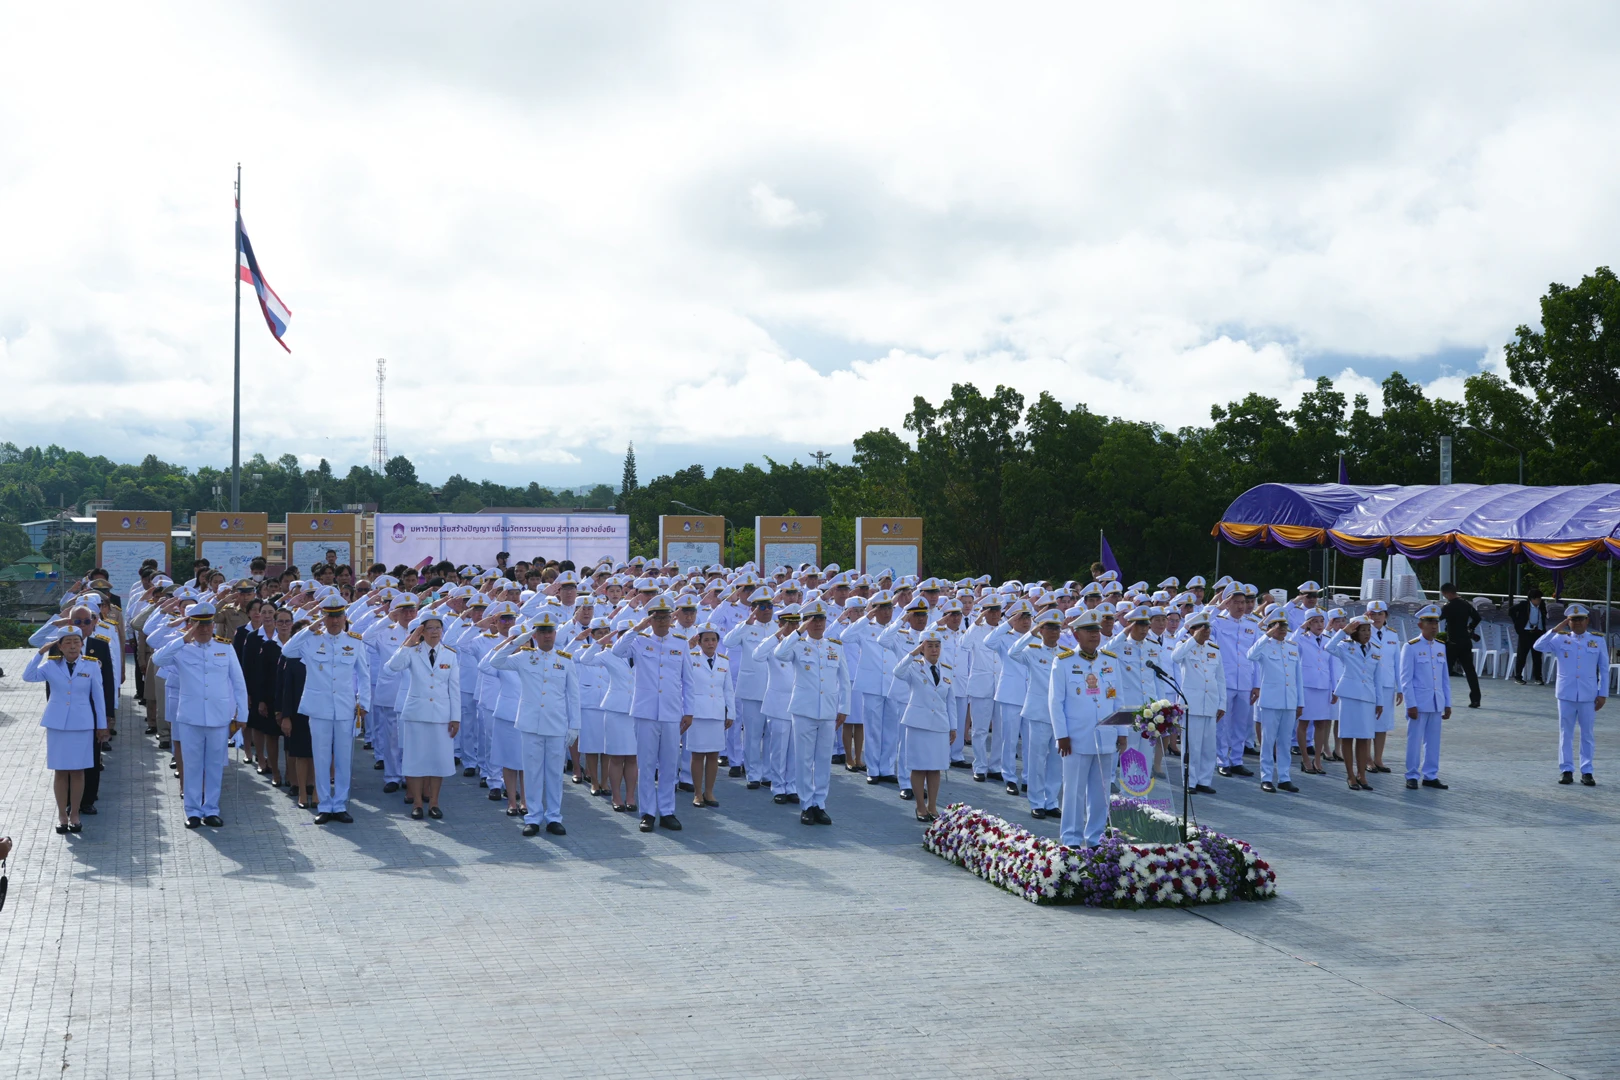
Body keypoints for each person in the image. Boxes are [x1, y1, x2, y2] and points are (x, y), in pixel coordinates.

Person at [151, 600, 250, 828]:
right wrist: (183, 639)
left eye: (207, 624)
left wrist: (242, 714)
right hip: (190, 717)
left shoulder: (224, 648)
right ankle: (193, 810)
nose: (204, 629)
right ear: (191, 625)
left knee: (214, 765)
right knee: (192, 764)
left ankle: (211, 808)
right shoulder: (182, 648)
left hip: (218, 716)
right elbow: (157, 660)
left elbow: (238, 682)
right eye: (199, 625)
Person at [279, 595, 372, 824]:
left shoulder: (355, 641)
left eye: (338, 615)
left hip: (344, 706)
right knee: (320, 757)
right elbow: (287, 651)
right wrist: (310, 627)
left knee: (342, 758)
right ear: (324, 618)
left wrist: (364, 703)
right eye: (329, 616)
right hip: (318, 707)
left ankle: (339, 804)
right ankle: (324, 804)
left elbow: (364, 675)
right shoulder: (311, 640)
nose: (334, 621)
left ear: (344, 617)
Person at [613, 595, 693, 832]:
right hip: (646, 711)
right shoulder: (638, 641)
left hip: (671, 712)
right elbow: (618, 651)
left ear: (672, 618)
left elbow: (688, 681)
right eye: (656, 618)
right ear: (650, 619)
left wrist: (688, 711)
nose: (661, 622)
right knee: (646, 764)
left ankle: (667, 811)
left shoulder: (680, 643)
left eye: (665, 617)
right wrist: (638, 627)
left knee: (669, 764)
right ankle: (647, 812)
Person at [1049, 608, 1127, 847]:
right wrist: (1061, 735)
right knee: (1073, 792)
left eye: (1096, 630)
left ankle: (1095, 837)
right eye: (1088, 630)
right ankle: (1071, 838)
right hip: (1076, 738)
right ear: (1075, 634)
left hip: (1106, 737)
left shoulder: (1110, 660)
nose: (1095, 634)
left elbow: (1118, 700)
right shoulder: (1063, 662)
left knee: (1101, 793)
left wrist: (1122, 733)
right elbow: (1055, 702)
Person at [23, 626, 107, 835]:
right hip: (57, 724)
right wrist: (40, 653)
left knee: (78, 771)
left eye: (76, 642)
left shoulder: (92, 665)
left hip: (82, 724)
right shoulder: (51, 666)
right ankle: (62, 814)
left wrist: (102, 725)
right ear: (59, 646)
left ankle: (75, 814)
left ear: (81, 645)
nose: (72, 646)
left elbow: (98, 698)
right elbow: (28, 676)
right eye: (67, 642)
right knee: (60, 771)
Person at [773, 600, 848, 825]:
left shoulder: (835, 646)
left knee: (823, 760)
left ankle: (820, 804)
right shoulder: (796, 644)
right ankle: (806, 804)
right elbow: (779, 653)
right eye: (813, 620)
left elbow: (844, 681)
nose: (818, 624)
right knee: (804, 760)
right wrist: (799, 630)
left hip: (827, 710)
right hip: (804, 710)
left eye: (821, 619)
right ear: (806, 621)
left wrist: (844, 708)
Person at [386, 611, 463, 821]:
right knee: (414, 760)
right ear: (421, 630)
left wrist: (456, 718)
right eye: (429, 628)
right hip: (416, 714)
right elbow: (392, 667)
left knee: (438, 760)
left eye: (438, 628)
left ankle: (434, 803)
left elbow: (454, 688)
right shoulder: (412, 651)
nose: (435, 632)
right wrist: (410, 641)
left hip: (441, 715)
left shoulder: (450, 654)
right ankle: (418, 804)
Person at [1533, 604, 1607, 785]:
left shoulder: (1597, 641)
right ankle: (1566, 769)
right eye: (1573, 620)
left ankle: (1587, 771)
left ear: (1587, 620)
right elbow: (1538, 646)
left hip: (1588, 694)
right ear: (1568, 622)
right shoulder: (1560, 639)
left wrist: (1603, 693)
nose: (1577, 623)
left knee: (1587, 734)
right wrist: (1555, 629)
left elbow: (1604, 669)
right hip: (1566, 693)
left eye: (1580, 619)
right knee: (1565, 733)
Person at [891, 629, 955, 822]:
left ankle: (932, 806)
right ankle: (920, 806)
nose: (934, 650)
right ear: (922, 647)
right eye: (929, 646)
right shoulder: (913, 667)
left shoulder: (947, 669)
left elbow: (950, 701)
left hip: (939, 724)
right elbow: (897, 671)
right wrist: (913, 654)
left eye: (937, 646)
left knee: (935, 767)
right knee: (918, 767)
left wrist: (954, 726)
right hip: (918, 723)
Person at [1325, 616, 1384, 790]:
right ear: (1355, 632)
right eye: (1363, 630)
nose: (1367, 634)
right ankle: (1350, 775)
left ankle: (1362, 774)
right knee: (1348, 735)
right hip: (1349, 695)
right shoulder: (1345, 646)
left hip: (1367, 697)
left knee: (1364, 737)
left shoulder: (1376, 650)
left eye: (1369, 630)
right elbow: (1329, 647)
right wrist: (1344, 631)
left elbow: (1377, 678)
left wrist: (1379, 701)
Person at [1246, 611, 1303, 794]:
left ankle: (1285, 777)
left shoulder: (1292, 647)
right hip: (1271, 701)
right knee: (1268, 741)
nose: (1282, 631)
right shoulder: (1264, 645)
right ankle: (1266, 777)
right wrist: (1267, 635)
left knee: (1285, 741)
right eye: (1278, 627)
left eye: (1284, 627)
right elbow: (1250, 655)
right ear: (1270, 628)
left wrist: (1300, 702)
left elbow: (1298, 677)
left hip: (1289, 700)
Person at [1170, 610, 1225, 794]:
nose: (1206, 630)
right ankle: (1190, 781)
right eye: (1201, 627)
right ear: (1192, 629)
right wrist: (1193, 639)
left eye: (1207, 627)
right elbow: (1175, 657)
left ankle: (1204, 780)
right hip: (1191, 704)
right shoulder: (1184, 645)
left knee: (1209, 747)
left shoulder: (1214, 649)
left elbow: (1220, 678)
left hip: (1210, 702)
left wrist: (1222, 703)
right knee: (1191, 746)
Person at [1400, 603, 1453, 790]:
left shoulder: (1440, 646)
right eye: (1429, 622)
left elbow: (1444, 677)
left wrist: (1447, 703)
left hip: (1436, 701)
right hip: (1419, 703)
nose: (1433, 626)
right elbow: (1405, 679)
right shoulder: (1411, 647)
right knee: (1414, 741)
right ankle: (1412, 775)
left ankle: (1430, 775)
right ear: (1420, 625)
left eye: (1436, 623)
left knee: (1433, 742)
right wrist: (1410, 704)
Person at [684, 622, 735, 810]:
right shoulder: (690, 658)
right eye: (706, 640)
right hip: (697, 713)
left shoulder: (724, 661)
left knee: (713, 755)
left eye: (713, 640)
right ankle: (698, 792)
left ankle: (709, 791)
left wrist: (731, 712)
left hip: (716, 712)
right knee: (697, 755)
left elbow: (728, 689)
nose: (710, 644)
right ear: (699, 642)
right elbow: (686, 687)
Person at [1365, 601, 1402, 774]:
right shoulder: (1363, 632)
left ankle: (1378, 758)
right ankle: (1367, 758)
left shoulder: (1392, 635)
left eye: (1380, 614)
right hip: (1368, 684)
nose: (1377, 617)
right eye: (1373, 613)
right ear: (1368, 615)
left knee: (1383, 724)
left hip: (1387, 684)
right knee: (1367, 722)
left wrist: (1400, 688)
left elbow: (1397, 663)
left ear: (1386, 616)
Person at [1438, 583, 1482, 708]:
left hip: (1452, 642)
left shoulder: (1448, 607)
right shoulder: (1466, 604)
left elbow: (1438, 618)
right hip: (1465, 641)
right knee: (1470, 671)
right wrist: (1470, 628)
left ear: (1447, 593)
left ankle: (1441, 697)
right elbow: (1477, 618)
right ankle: (1476, 699)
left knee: (1444, 672)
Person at [1510, 588, 1549, 684]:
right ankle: (1518, 676)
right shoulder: (1524, 605)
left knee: (1537, 656)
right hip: (1526, 632)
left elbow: (1543, 616)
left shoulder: (1542, 605)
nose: (1539, 601)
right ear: (1532, 599)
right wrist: (1518, 623)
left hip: (1537, 632)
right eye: (1537, 599)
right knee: (1522, 655)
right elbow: (1511, 611)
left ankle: (1538, 677)